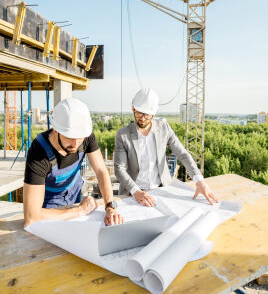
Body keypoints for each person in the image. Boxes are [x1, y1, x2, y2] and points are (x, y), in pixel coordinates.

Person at [23, 98, 123, 226]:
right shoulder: (38, 153)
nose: (75, 144)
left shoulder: (85, 135)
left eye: (80, 138)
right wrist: (79, 210)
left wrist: (110, 206)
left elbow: (101, 171)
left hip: (75, 196)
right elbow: (32, 217)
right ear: (55, 130)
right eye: (70, 137)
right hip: (48, 208)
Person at [114, 87, 218, 207]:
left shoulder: (164, 128)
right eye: (138, 113)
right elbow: (119, 168)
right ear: (133, 109)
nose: (142, 118)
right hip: (133, 194)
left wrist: (199, 181)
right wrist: (136, 191)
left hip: (162, 190)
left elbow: (182, 154)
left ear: (153, 114)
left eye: (147, 114)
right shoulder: (123, 135)